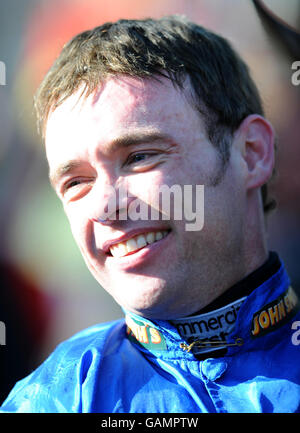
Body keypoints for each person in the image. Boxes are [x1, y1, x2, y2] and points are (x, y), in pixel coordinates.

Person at [1, 15, 300, 413]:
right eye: (76, 182)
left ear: (252, 153)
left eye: (139, 157)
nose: (106, 206)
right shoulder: (56, 398)